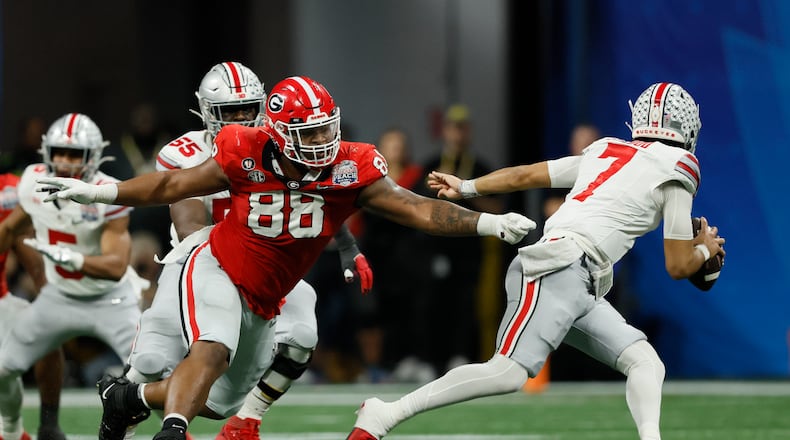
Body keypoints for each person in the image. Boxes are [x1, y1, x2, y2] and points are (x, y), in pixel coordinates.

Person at [37, 75, 536, 440]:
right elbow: (173, 185)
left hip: (269, 289)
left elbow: (413, 208)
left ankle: (128, 398)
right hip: (215, 262)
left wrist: (487, 223)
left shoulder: (349, 165)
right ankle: (171, 431)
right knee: (207, 351)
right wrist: (103, 194)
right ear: (277, 132)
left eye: (326, 130)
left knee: (224, 399)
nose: (322, 142)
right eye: (309, 133)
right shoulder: (240, 149)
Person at [346, 82, 726, 440]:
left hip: (580, 280)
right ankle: (386, 413)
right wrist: (706, 250)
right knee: (508, 373)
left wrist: (466, 187)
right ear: (689, 126)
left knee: (646, 362)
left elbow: (528, 174)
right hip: (557, 267)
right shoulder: (680, 165)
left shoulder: (607, 149)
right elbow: (678, 266)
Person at [122, 62, 373, 440]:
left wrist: (347, 246)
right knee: (149, 363)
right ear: (207, 112)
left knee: (303, 333)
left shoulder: (282, 147)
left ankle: (247, 421)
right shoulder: (185, 152)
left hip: (265, 269)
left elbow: (317, 202)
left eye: (248, 108)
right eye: (229, 112)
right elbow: (190, 225)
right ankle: (134, 412)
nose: (240, 118)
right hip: (198, 264)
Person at [0, 113, 146, 440]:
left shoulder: (106, 192)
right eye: (59, 153)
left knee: (152, 369)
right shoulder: (33, 181)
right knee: (2, 369)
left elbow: (115, 267)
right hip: (59, 295)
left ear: (92, 157)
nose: (64, 162)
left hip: (110, 299)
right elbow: (11, 228)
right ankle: (11, 430)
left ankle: (177, 432)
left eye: (74, 155)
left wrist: (73, 258)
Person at [412, 104, 506, 375]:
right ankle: (428, 360)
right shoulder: (431, 165)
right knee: (430, 303)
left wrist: (466, 189)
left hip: (468, 247)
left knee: (464, 305)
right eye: (453, 128)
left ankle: (460, 355)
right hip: (434, 246)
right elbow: (414, 204)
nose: (458, 134)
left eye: (463, 128)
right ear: (445, 131)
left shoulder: (480, 167)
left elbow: (499, 207)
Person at [0, 173, 66, 440]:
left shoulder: (9, 192)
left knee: (47, 330)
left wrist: (47, 297)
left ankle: (47, 424)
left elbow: (26, 247)